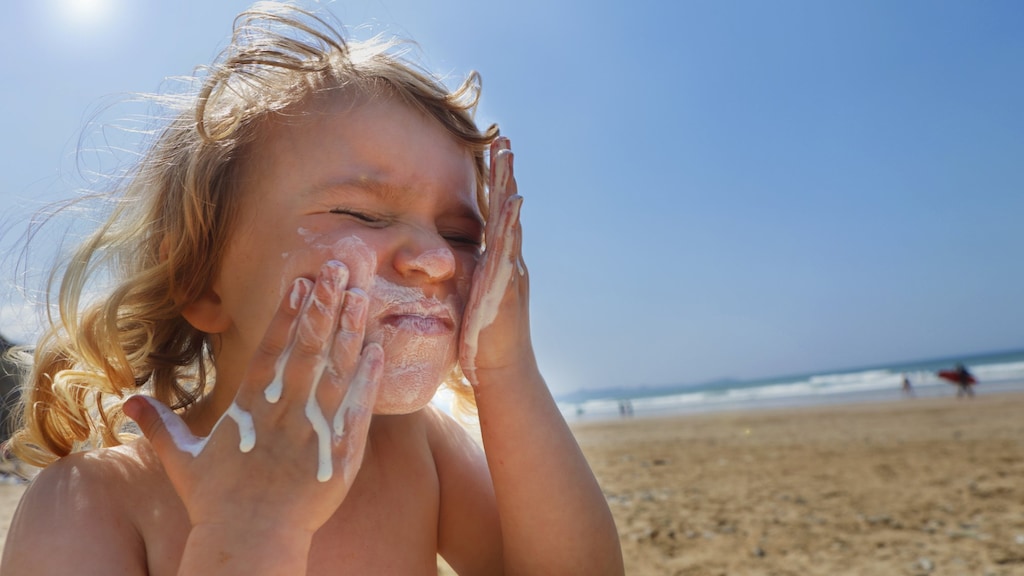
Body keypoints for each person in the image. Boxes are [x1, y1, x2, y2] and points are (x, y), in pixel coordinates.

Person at [0, 3, 624, 574]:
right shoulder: (92, 500)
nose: (436, 260)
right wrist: (245, 534)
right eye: (363, 216)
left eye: (462, 235)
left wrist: (507, 369)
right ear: (202, 284)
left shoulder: (415, 447)